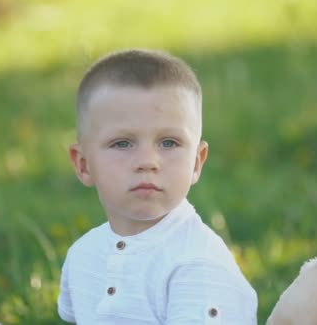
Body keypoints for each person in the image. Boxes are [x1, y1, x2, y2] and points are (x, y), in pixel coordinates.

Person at [58, 49, 258, 324]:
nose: (147, 162)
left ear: (197, 162)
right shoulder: (84, 255)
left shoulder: (197, 264)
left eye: (169, 143)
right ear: (83, 164)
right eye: (122, 143)